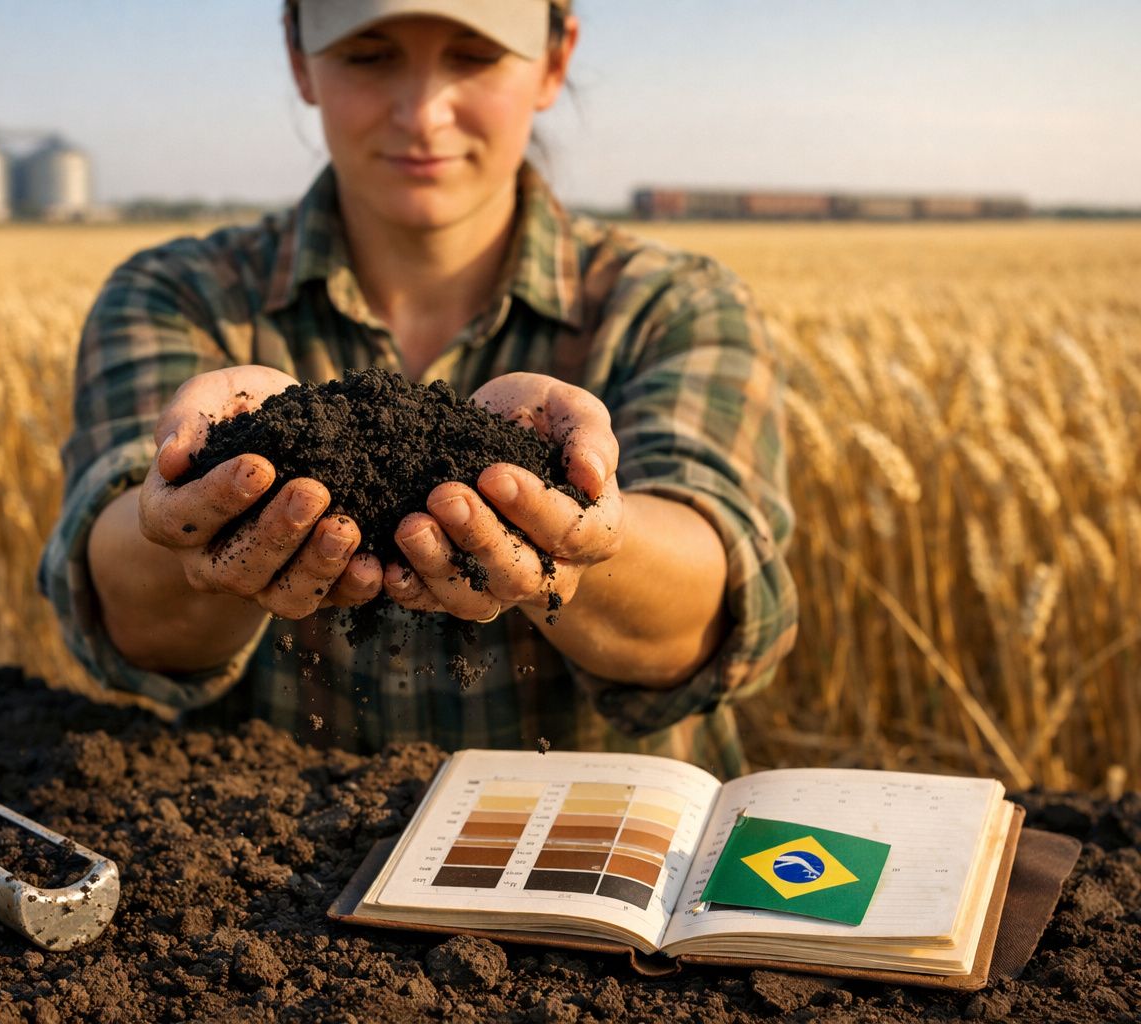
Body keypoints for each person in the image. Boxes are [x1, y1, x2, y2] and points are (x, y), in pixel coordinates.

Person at [39, 0, 798, 780]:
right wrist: (199, 507)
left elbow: (714, 610)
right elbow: (129, 614)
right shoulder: (176, 296)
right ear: (301, 60)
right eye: (369, 56)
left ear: (555, 59)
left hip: (584, 861)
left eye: (473, 56)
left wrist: (579, 537)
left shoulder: (670, 305)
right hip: (262, 871)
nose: (422, 113)